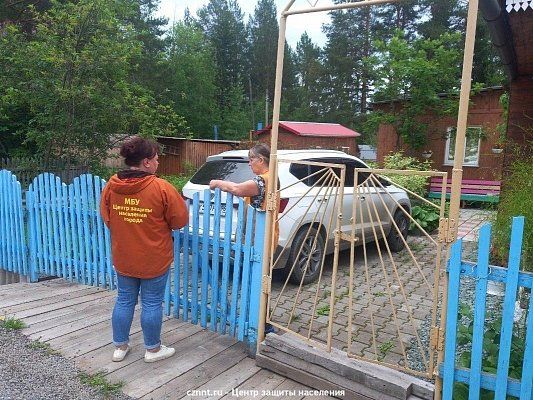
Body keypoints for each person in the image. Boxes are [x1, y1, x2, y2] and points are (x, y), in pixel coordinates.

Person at [100, 136, 188, 363]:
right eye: (156, 159)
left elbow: (107, 217)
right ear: (147, 162)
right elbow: (179, 221)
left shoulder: (112, 185)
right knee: (151, 302)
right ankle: (153, 349)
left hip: (124, 256)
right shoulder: (161, 187)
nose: (158, 163)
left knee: (124, 299)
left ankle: (119, 347)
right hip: (153, 258)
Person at [209, 143, 278, 334]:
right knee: (256, 280)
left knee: (257, 281)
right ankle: (260, 321)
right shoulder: (269, 177)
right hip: (257, 238)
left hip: (261, 240)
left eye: (251, 159)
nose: (249, 163)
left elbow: (237, 189)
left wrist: (216, 182)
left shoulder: (265, 179)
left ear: (261, 160)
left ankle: (263, 326)